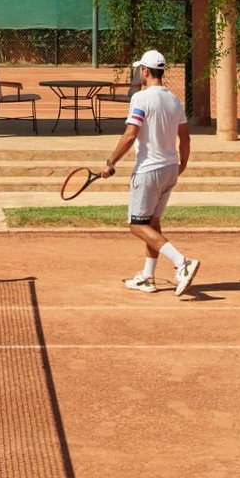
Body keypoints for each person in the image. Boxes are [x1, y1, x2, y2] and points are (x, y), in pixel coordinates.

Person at [98, 49, 200, 296]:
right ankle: (147, 277)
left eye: (139, 69)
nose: (138, 73)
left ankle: (182, 263)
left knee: (136, 225)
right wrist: (182, 164)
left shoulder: (141, 98)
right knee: (152, 224)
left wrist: (111, 162)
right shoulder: (174, 100)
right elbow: (184, 137)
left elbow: (131, 134)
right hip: (170, 169)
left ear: (145, 71)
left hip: (149, 170)